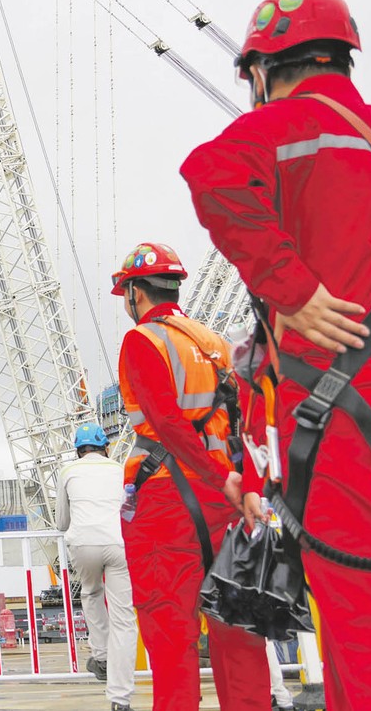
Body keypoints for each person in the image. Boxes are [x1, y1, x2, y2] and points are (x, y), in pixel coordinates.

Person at [182, 0, 371, 706]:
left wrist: (295, 289)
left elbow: (210, 175)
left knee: (369, 625)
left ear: (260, 68)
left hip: (349, 415)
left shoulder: (280, 127)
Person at [111, 244, 271, 711]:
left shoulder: (144, 340)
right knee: (237, 631)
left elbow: (167, 423)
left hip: (168, 501)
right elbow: (246, 422)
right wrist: (240, 484)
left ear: (135, 292)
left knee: (171, 633)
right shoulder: (217, 344)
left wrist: (220, 477)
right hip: (226, 505)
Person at [55, 423, 136, 711]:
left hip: (84, 543)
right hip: (119, 542)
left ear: (78, 449)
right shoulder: (119, 468)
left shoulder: (68, 471)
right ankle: (120, 697)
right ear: (105, 447)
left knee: (90, 593)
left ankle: (100, 656)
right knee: (124, 619)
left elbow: (62, 523)